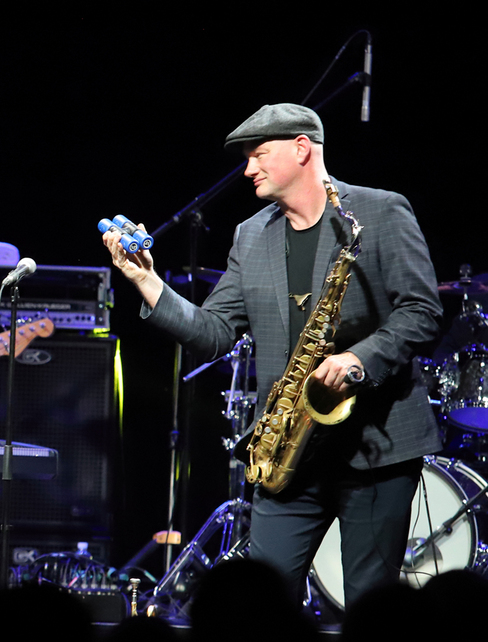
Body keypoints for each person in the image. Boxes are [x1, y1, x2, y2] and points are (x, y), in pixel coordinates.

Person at [103, 104, 442, 606]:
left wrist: (358, 361)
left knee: (372, 604)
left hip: (378, 447)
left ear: (302, 148)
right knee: (255, 605)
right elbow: (214, 331)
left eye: (258, 154)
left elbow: (422, 311)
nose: (248, 169)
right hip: (287, 449)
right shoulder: (251, 234)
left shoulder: (380, 211)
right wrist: (145, 282)